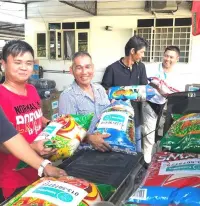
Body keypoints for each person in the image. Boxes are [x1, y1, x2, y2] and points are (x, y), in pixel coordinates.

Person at [0, 40, 59, 201]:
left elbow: (36, 115)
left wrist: (50, 124)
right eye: (18, 62)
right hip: (12, 177)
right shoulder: (1, 96)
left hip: (39, 169)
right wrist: (33, 147)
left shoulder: (32, 90)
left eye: (28, 63)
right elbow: (3, 141)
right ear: (3, 64)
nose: (24, 67)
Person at [101, 35, 148, 152]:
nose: (143, 55)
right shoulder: (112, 69)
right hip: (117, 117)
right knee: (118, 146)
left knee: (137, 144)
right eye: (141, 52)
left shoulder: (141, 67)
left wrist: (140, 95)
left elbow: (144, 87)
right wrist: (117, 94)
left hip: (135, 114)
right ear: (132, 51)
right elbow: (104, 91)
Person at [59, 51, 112, 152]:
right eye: (79, 68)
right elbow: (66, 132)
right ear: (71, 70)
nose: (84, 72)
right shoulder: (67, 96)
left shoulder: (100, 89)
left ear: (93, 68)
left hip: (106, 148)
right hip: (82, 155)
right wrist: (89, 138)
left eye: (87, 67)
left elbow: (108, 114)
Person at [142, 46, 182, 165]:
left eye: (171, 57)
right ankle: (146, 164)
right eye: (166, 55)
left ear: (177, 59)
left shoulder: (177, 75)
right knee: (148, 137)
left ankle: (158, 162)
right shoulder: (151, 69)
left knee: (162, 137)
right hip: (149, 104)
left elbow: (177, 93)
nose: (167, 59)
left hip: (166, 107)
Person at [0, 107, 66, 177]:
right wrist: (33, 147)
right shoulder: (3, 98)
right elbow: (7, 138)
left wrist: (44, 166)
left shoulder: (34, 95)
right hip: (12, 175)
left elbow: (36, 115)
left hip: (35, 171)